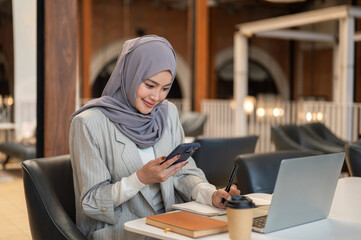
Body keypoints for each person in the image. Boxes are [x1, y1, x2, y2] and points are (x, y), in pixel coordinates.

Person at [69, 35, 240, 240]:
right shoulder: (89, 123)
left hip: (170, 225)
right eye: (150, 85)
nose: (156, 97)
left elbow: (183, 173)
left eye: (165, 88)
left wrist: (210, 194)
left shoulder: (167, 113)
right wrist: (140, 179)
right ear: (130, 75)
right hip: (123, 231)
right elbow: (91, 201)